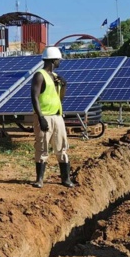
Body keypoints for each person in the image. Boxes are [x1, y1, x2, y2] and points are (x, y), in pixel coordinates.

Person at [31, 46, 74, 188]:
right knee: (42, 148)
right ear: (53, 60)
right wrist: (40, 117)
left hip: (57, 117)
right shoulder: (39, 75)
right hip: (44, 117)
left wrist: (64, 85)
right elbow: (34, 97)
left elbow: (59, 99)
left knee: (61, 147)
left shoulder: (55, 77)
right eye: (58, 60)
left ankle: (66, 178)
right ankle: (39, 179)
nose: (59, 63)